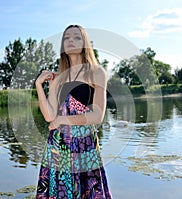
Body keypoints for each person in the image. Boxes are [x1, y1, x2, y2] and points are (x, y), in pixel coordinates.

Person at [35, 24, 112, 199]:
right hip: (58, 146)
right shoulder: (59, 77)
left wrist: (62, 120)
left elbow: (97, 116)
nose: (70, 40)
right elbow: (49, 115)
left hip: (84, 144)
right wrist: (40, 86)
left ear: (85, 43)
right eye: (66, 38)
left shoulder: (96, 72)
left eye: (76, 37)